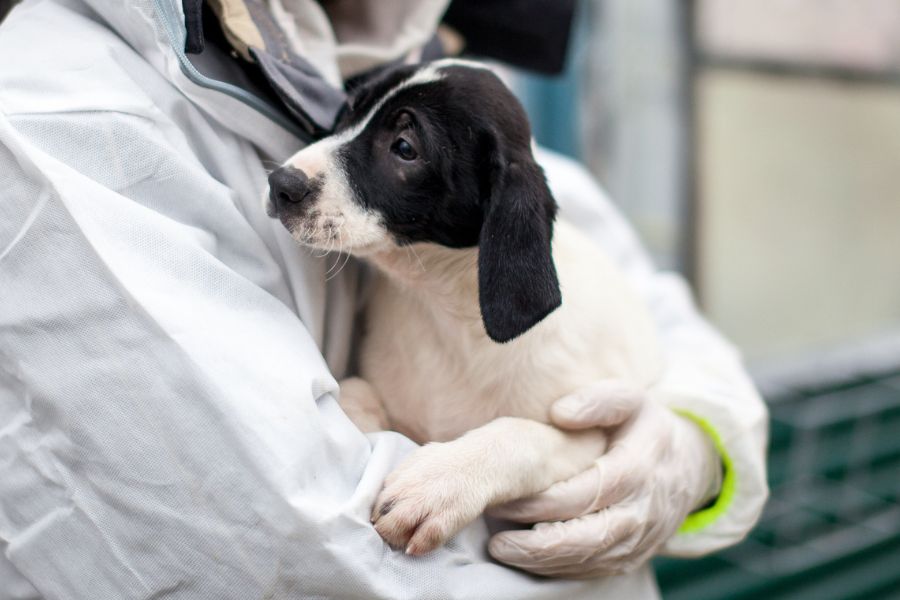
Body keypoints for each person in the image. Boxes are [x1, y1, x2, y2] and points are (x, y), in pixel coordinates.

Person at [0, 1, 768, 598]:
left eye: (398, 145)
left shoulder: (397, 56)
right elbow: (293, 547)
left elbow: (630, 290)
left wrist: (698, 437)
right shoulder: (64, 112)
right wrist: (562, 509)